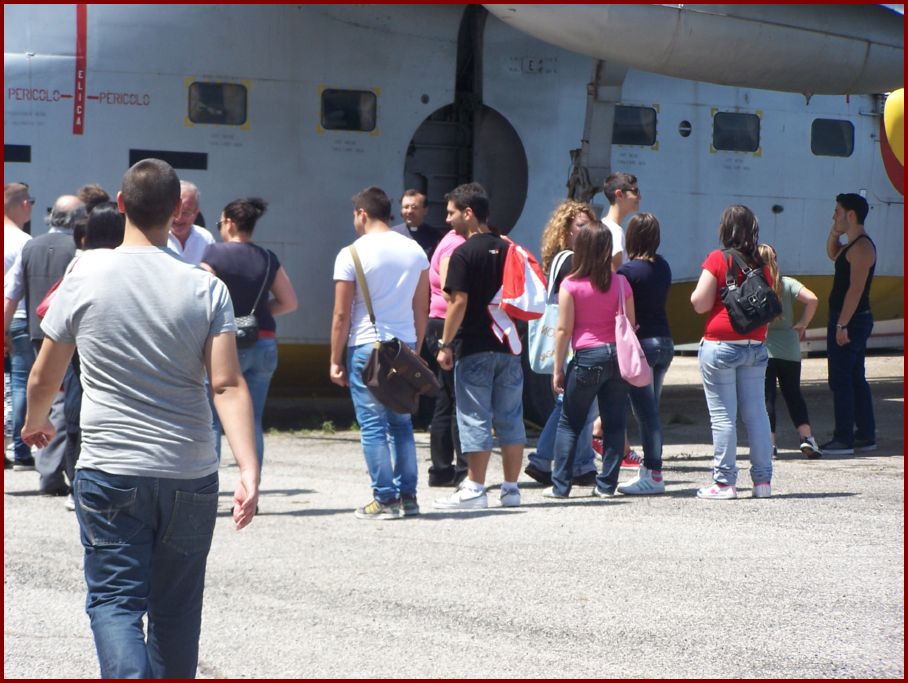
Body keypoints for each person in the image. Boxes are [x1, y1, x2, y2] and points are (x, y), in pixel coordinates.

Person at [21, 158, 260, 678]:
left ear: (122, 204)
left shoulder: (84, 273)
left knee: (115, 602)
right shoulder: (205, 287)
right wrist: (248, 468)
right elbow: (225, 384)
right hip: (190, 471)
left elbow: (45, 374)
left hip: (111, 468)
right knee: (176, 611)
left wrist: (35, 421)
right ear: (178, 212)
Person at [330, 186, 429, 519]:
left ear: (362, 214)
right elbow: (422, 306)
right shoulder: (415, 251)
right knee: (401, 423)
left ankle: (384, 499)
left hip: (366, 347)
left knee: (373, 427)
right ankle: (409, 498)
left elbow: (342, 315)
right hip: (402, 349)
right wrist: (415, 348)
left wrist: (334, 359)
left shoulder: (351, 254)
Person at [432, 182, 525, 510]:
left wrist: (445, 343)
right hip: (509, 346)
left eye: (452, 212)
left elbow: (457, 302)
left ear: (468, 213)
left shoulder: (463, 253)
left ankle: (474, 487)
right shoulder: (511, 248)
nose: (448, 220)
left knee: (474, 417)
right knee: (511, 417)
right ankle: (512, 489)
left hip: (474, 346)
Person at [201, 198, 298, 471]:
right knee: (252, 418)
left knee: (213, 419)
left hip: (225, 344)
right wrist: (258, 313)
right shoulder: (268, 258)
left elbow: (202, 299)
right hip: (264, 341)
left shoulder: (213, 255)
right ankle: (251, 485)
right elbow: (289, 302)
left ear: (230, 223)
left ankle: (209, 486)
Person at [543, 223, 634, 499]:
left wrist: (557, 369)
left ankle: (560, 486)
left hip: (586, 357)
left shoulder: (571, 284)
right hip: (617, 356)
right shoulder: (621, 282)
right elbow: (631, 323)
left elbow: (564, 330)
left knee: (570, 421)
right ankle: (607, 485)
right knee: (614, 422)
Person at [690, 205, 773, 500]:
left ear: (725, 229)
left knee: (724, 416)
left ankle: (725, 483)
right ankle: (762, 483)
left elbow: (700, 303)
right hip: (756, 345)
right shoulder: (760, 263)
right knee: (757, 414)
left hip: (721, 345)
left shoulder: (718, 258)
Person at [4, 194, 85, 495]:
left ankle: (47, 469)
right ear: (79, 220)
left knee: (37, 390)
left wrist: (4, 330)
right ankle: (56, 472)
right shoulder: (78, 250)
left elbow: (11, 292)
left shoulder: (30, 245)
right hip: (69, 336)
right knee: (65, 403)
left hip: (36, 331)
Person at [524, 200, 599, 487]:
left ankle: (580, 465)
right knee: (569, 403)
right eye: (581, 225)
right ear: (566, 230)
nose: (586, 231)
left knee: (576, 404)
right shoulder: (571, 260)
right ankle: (543, 460)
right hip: (570, 341)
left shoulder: (560, 259)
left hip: (567, 340)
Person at [616, 212, 673, 495]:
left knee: (645, 414)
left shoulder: (627, 272)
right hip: (665, 341)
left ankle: (653, 472)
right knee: (652, 409)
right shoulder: (663, 267)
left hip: (642, 346)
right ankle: (650, 471)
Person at [821, 193, 877, 456]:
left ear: (850, 215)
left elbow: (855, 290)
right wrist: (834, 233)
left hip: (851, 321)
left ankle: (844, 438)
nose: (834, 216)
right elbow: (834, 254)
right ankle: (865, 434)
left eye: (837, 212)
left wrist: (842, 325)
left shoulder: (863, 248)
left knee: (841, 378)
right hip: (846, 319)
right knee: (854, 376)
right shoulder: (850, 245)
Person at [757, 244, 821, 458]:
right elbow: (812, 299)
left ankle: (770, 444)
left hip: (764, 348)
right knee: (793, 394)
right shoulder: (787, 283)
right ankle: (807, 438)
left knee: (767, 398)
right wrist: (802, 323)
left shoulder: (756, 285)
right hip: (790, 349)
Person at [424, 223, 468, 487]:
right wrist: (447, 343)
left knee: (446, 398)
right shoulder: (454, 245)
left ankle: (441, 469)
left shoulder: (448, 240)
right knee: (456, 399)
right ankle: (461, 470)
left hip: (438, 322)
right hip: (447, 325)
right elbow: (452, 294)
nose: (449, 218)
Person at [3, 183, 35, 470]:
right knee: (21, 383)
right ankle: (21, 450)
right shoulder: (24, 242)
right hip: (18, 318)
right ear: (23, 204)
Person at [168, 180, 215, 265]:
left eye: (185, 212)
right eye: (174, 212)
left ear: (196, 213)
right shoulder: (156, 238)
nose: (178, 218)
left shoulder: (206, 239)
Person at [391, 189, 444, 259]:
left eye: (414, 207)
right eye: (406, 207)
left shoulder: (435, 236)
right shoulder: (392, 234)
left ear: (425, 210)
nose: (409, 211)